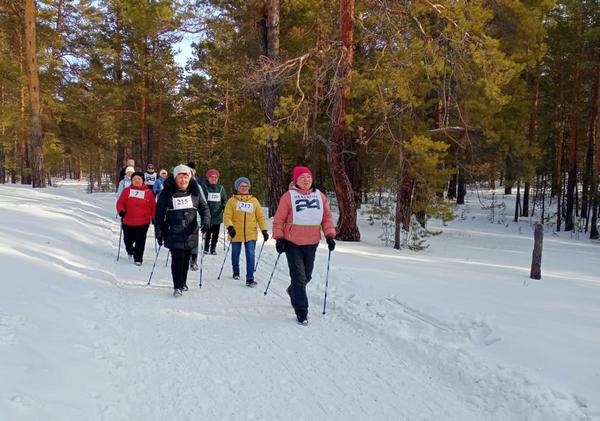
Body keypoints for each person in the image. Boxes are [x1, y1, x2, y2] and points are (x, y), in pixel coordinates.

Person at [272, 166, 336, 325]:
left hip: (312, 242)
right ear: (296, 180)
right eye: (302, 177)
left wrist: (329, 235)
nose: (306, 180)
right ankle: (301, 310)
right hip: (292, 242)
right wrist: (279, 238)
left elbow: (327, 217)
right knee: (299, 277)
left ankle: (293, 290)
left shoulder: (319, 196)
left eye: (308, 177)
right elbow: (279, 219)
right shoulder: (288, 197)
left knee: (307, 275)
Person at [154, 164, 210, 297]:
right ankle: (177, 286)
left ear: (190, 178)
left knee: (186, 259)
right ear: (175, 178)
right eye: (180, 177)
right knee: (177, 258)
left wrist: (206, 222)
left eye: (186, 177)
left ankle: (183, 282)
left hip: (191, 231)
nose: (183, 179)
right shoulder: (167, 192)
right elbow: (159, 213)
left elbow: (204, 209)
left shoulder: (195, 191)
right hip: (173, 230)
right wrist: (159, 232)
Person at [223, 177, 268, 287]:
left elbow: (260, 217)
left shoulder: (254, 201)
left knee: (250, 255)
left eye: (246, 186)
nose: (244, 188)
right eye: (241, 186)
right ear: (237, 188)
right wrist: (230, 227)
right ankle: (236, 271)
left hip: (250, 233)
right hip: (236, 233)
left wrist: (264, 230)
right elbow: (227, 216)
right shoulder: (232, 201)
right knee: (235, 254)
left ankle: (250, 278)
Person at [116, 172, 156, 265]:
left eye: (139, 179)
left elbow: (154, 206)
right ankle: (130, 251)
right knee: (127, 240)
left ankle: (138, 258)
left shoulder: (148, 192)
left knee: (140, 241)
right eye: (134, 179)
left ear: (143, 181)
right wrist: (121, 210)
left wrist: (154, 217)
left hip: (143, 221)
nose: (137, 181)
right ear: (132, 181)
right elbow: (120, 203)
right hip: (128, 220)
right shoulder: (126, 190)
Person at [201, 169, 228, 255]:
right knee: (208, 233)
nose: (214, 179)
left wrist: (224, 206)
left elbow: (224, 199)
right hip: (207, 214)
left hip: (217, 214)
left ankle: (213, 249)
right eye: (212, 177)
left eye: (215, 177)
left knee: (215, 234)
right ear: (208, 178)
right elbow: (201, 199)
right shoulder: (204, 187)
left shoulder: (221, 188)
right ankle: (206, 248)